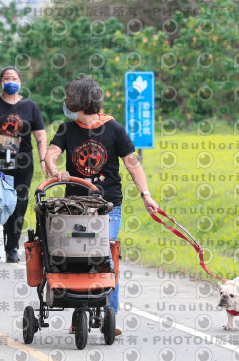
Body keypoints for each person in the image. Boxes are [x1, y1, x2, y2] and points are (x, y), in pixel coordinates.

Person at [45, 74, 159, 337]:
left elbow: (132, 164)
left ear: (79, 102)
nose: (65, 102)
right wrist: (54, 169)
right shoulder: (67, 129)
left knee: (105, 255)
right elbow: (52, 153)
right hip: (74, 207)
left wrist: (146, 194)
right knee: (77, 256)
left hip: (108, 207)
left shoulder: (114, 129)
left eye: (69, 97)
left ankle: (110, 314)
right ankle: (78, 312)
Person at [0, 66, 48, 263]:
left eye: (14, 78)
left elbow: (40, 134)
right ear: (0, 81)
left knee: (18, 204)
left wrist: (44, 159)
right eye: (6, 77)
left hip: (23, 162)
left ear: (20, 82)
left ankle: (12, 248)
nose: (10, 81)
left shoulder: (30, 106)